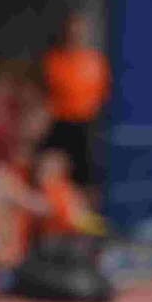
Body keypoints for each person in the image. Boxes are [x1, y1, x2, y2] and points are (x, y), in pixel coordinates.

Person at [43, 11, 111, 186]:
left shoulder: (96, 62)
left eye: (80, 32)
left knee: (87, 175)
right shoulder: (53, 61)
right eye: (72, 31)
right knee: (57, 172)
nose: (76, 36)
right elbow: (45, 93)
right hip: (60, 124)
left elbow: (103, 95)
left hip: (87, 126)